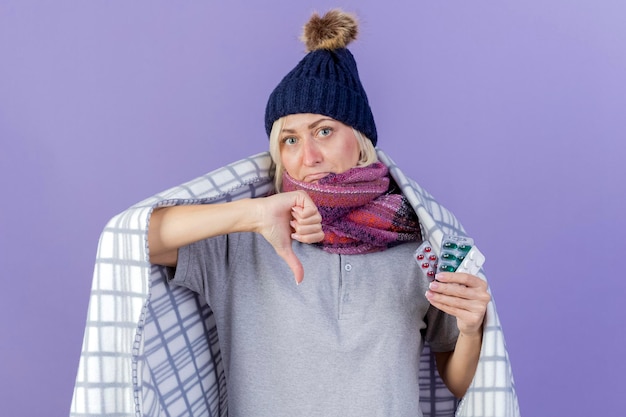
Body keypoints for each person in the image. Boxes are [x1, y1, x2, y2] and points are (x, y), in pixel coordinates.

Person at [147, 9, 490, 417]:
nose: (307, 156)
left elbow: (457, 383)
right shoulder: (243, 242)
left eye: (324, 131)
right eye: (290, 139)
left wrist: (470, 330)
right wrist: (254, 215)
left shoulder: (421, 248)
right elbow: (135, 238)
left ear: (359, 139)